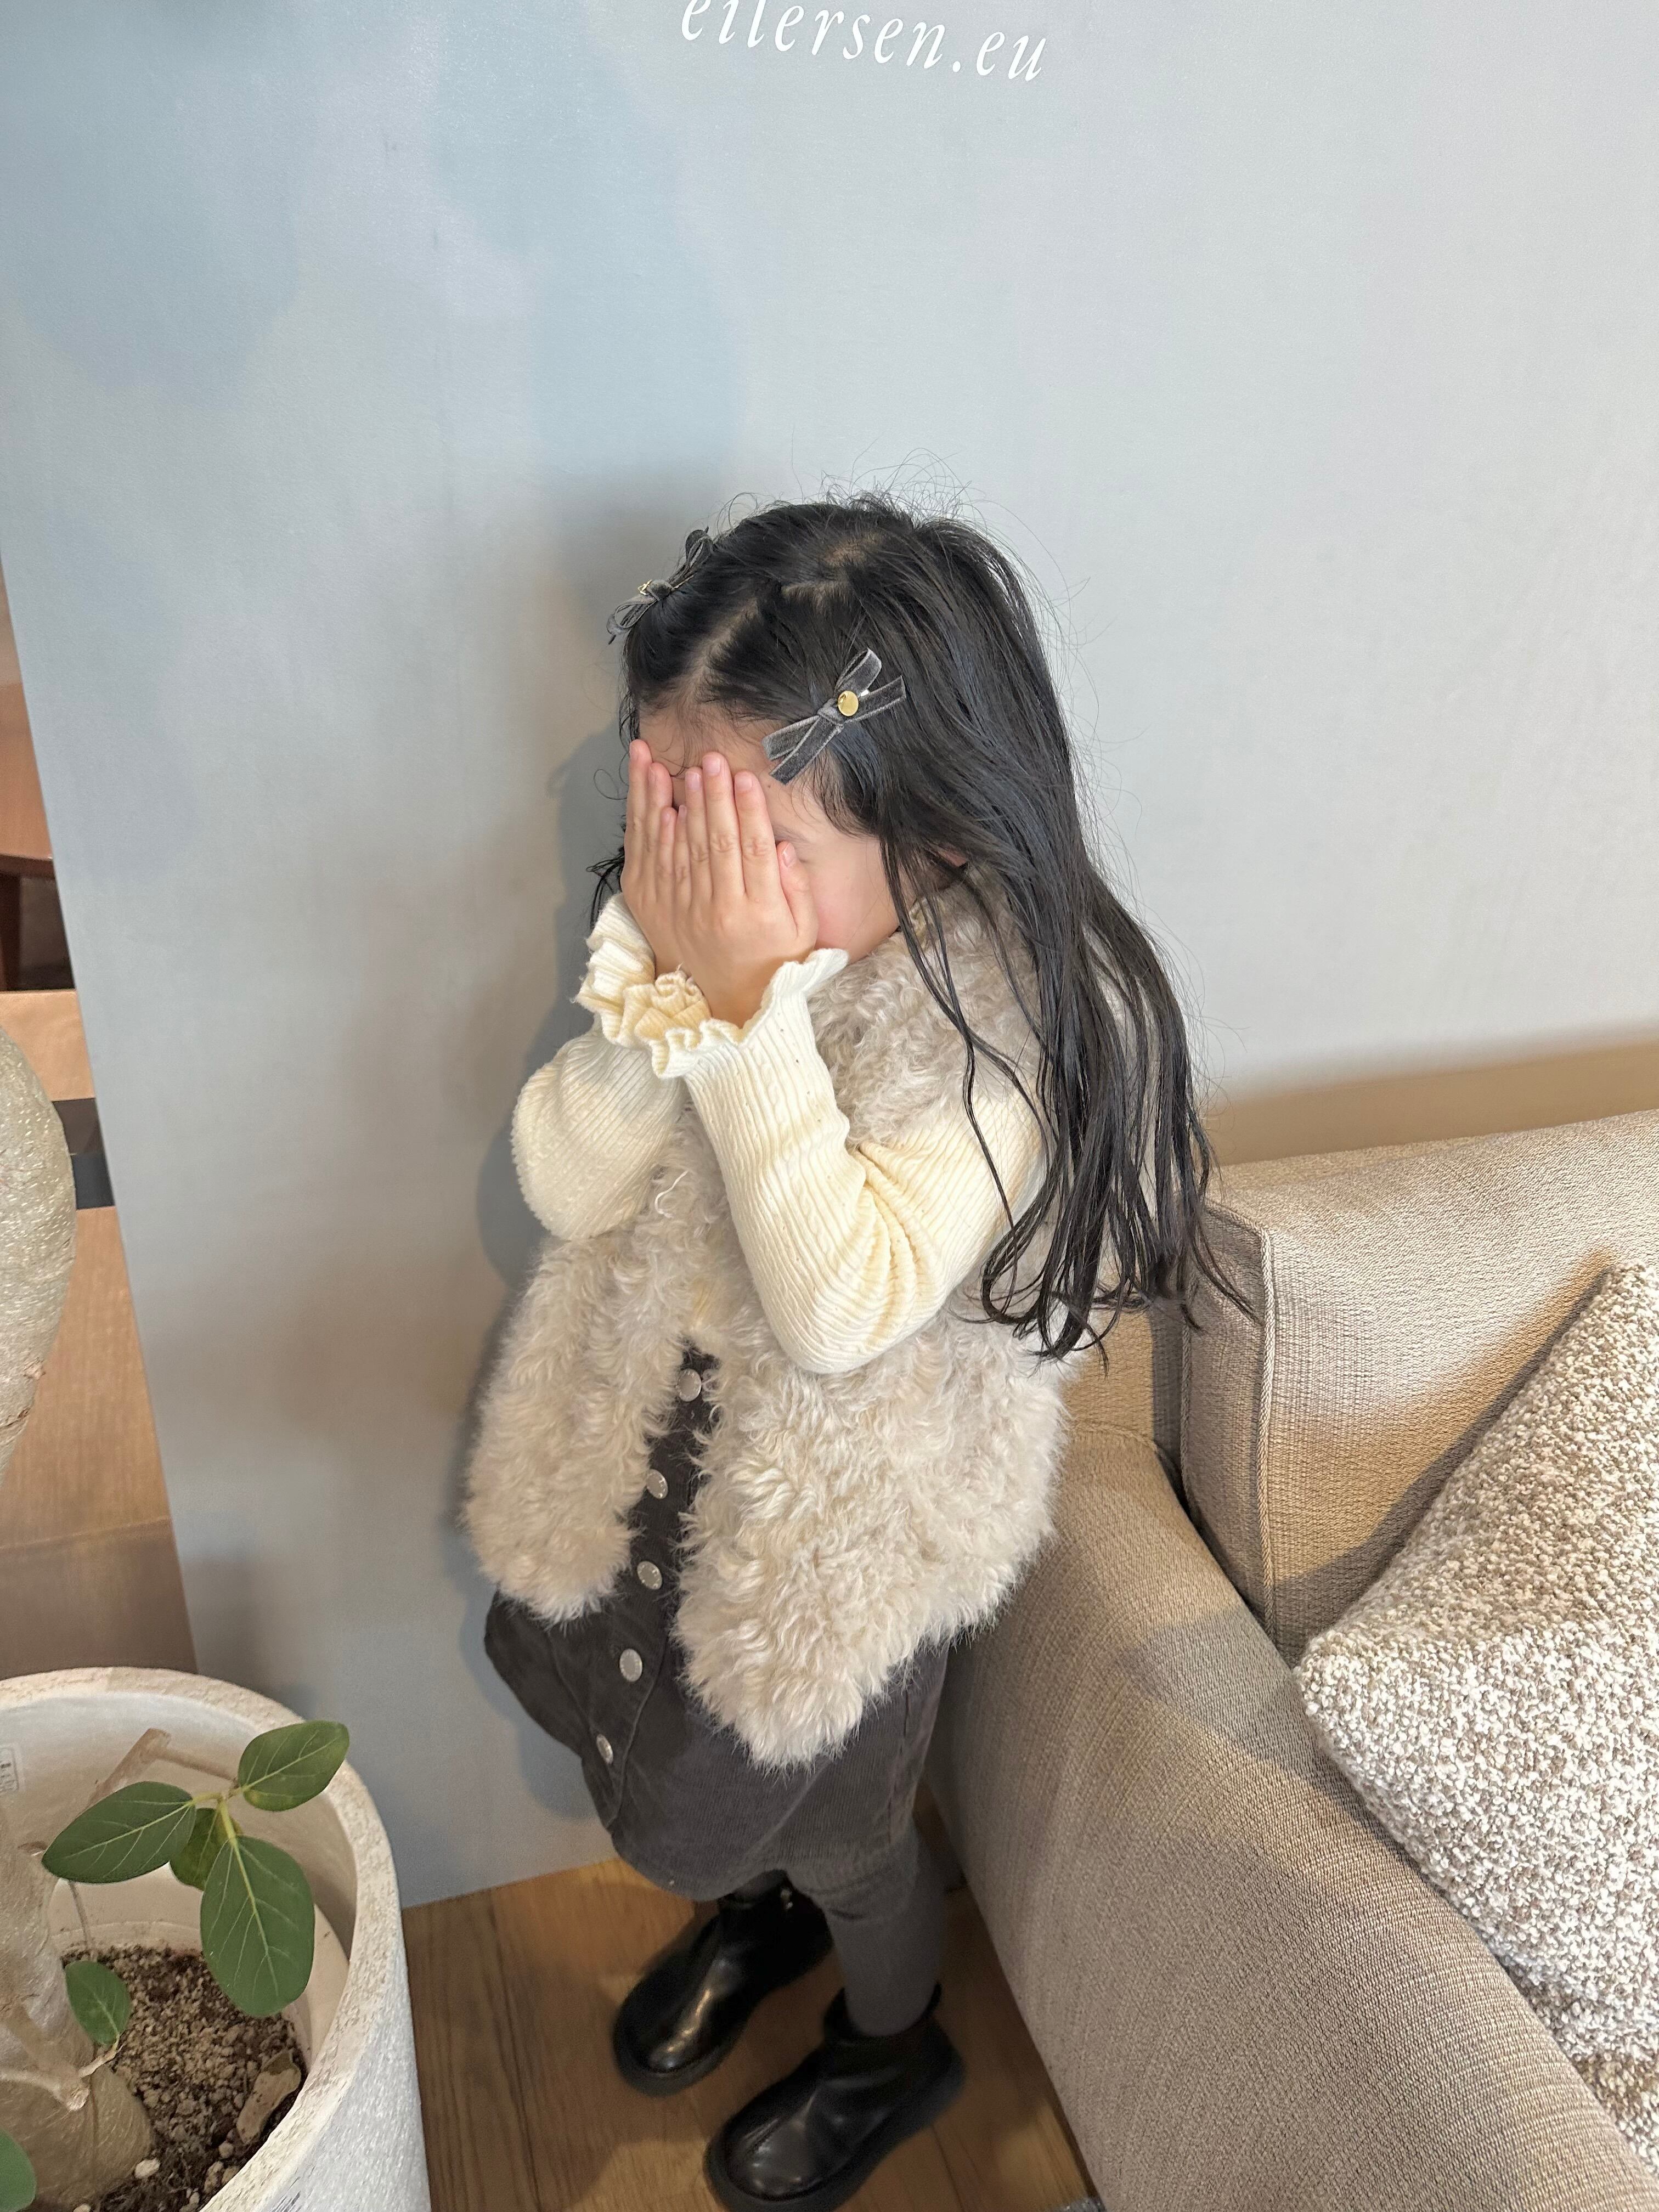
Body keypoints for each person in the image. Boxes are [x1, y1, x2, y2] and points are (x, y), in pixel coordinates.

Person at [461, 490, 1252, 2212]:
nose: (699, 874)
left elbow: (839, 1311)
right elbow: (566, 1184)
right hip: (669, 1466)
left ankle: (894, 2040)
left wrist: (742, 1014)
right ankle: (758, 1909)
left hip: (837, 1562)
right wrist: (667, 997)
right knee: (684, 1749)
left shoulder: (1004, 1039)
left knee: (846, 1836)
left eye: (751, 841)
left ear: (939, 834)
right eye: (671, 813)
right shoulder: (705, 928)